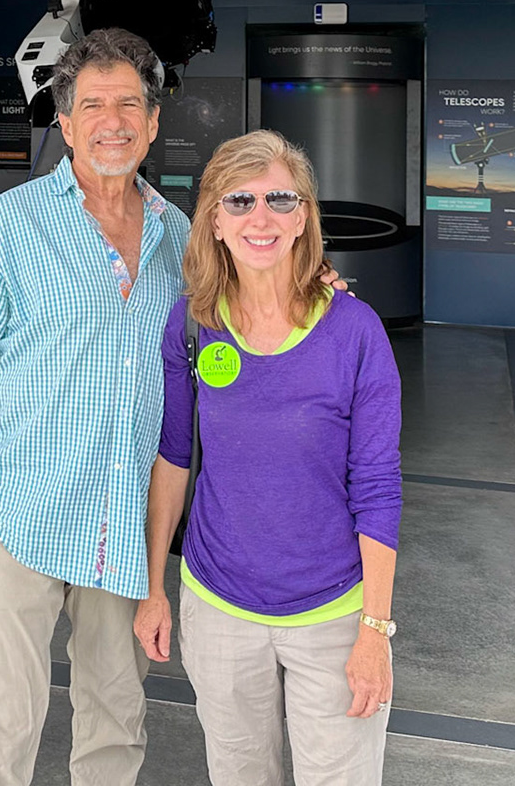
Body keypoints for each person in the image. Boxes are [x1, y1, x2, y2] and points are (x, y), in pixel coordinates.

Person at [0, 27, 188, 786]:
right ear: (65, 123)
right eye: (94, 105)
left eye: (130, 104)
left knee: (116, 723)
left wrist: (322, 293)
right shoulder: (9, 227)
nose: (114, 120)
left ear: (154, 121)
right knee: (0, 726)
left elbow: (261, 297)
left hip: (124, 521)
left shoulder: (179, 237)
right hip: (22, 518)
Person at [135, 129, 403, 786]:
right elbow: (173, 459)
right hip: (219, 606)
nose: (262, 218)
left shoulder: (355, 332)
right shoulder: (193, 326)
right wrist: (152, 589)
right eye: (240, 202)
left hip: (333, 615)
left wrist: (375, 630)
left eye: (280, 200)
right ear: (215, 223)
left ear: (304, 215)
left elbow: (377, 487)